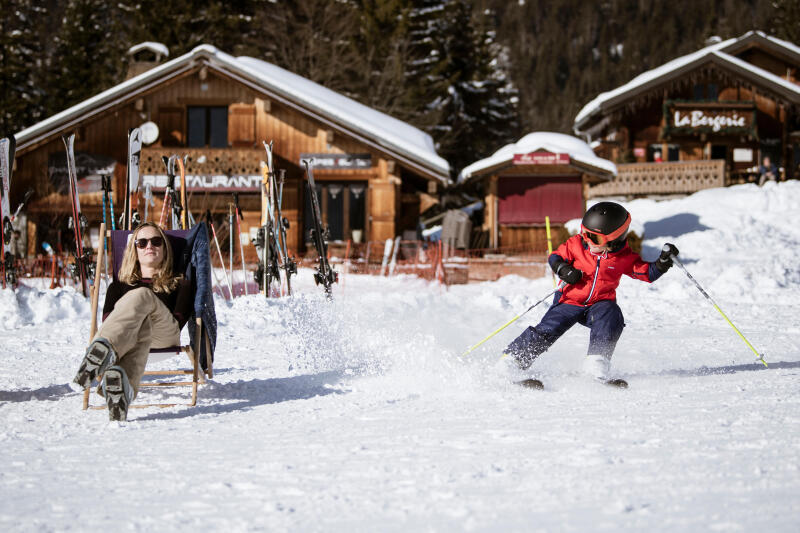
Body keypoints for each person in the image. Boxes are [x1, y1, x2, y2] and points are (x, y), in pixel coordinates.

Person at [505, 202, 678, 382]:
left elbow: (647, 273)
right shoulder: (577, 245)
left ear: (615, 239)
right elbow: (555, 257)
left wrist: (661, 264)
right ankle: (512, 361)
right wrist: (564, 269)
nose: (587, 240)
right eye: (585, 233)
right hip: (570, 300)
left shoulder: (623, 257)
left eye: (595, 238)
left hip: (599, 305)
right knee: (549, 328)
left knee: (611, 315)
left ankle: (597, 363)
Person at [72, 222, 192, 421]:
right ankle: (122, 390)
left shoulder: (179, 281)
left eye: (156, 241)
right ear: (134, 250)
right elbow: (110, 322)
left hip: (165, 335)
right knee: (139, 325)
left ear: (165, 248)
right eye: (142, 243)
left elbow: (178, 321)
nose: (149, 247)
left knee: (143, 296)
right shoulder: (118, 286)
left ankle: (101, 354)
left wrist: (145, 309)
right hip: (130, 340)